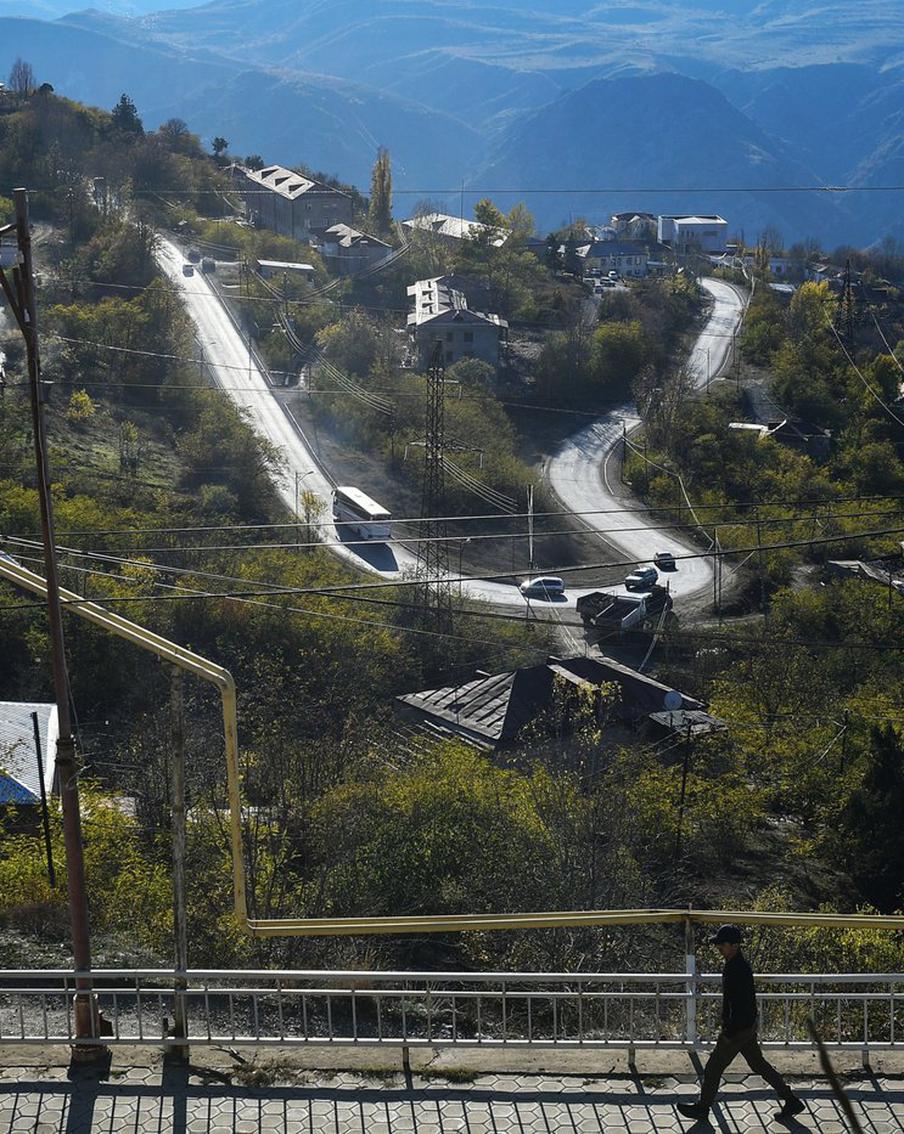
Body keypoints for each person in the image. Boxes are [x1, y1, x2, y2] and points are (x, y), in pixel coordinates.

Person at [677, 924, 805, 1123]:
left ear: (734, 945)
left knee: (713, 1068)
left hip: (737, 1030)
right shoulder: (737, 965)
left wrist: (730, 1029)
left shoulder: (737, 968)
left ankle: (702, 1109)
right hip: (745, 1028)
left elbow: (741, 1002)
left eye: (722, 944)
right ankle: (791, 1100)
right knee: (759, 1065)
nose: (718, 947)